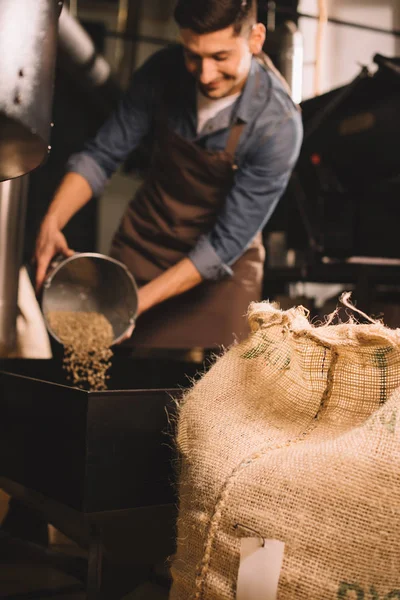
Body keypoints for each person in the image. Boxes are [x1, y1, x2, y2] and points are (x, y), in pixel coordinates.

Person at [35, 0, 303, 350]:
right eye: (193, 55)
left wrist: (134, 304)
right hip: (144, 245)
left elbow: (222, 246)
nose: (205, 75)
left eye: (220, 57)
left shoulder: (278, 125)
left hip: (218, 278)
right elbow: (103, 155)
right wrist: (52, 222)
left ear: (255, 38)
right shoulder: (162, 72)